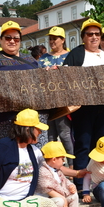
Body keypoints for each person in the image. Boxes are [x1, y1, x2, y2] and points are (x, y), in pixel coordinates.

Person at [63, 19, 104, 182]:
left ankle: (99, 180)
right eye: (90, 34)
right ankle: (81, 184)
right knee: (83, 145)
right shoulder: (76, 54)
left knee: (103, 144)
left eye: (97, 34)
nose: (94, 37)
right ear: (83, 37)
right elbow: (65, 76)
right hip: (85, 108)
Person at [0, 21, 48, 144]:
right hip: (6, 119)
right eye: (8, 38)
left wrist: (49, 73)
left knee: (37, 153)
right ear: (1, 40)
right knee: (11, 155)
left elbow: (41, 82)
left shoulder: (30, 59)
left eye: (16, 38)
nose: (12, 41)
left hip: (35, 117)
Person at [38, 27, 74, 159]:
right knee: (50, 134)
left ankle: (72, 164)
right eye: (50, 39)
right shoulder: (43, 58)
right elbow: (37, 77)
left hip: (64, 101)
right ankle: (52, 164)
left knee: (65, 133)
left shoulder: (70, 56)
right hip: (47, 101)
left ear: (63, 40)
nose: (52, 41)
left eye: (55, 38)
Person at [36, 141, 82, 207]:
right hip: (45, 199)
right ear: (54, 159)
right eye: (62, 159)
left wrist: (70, 186)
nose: (64, 161)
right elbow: (47, 189)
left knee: (73, 196)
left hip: (59, 196)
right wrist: (63, 198)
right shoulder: (43, 171)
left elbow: (64, 181)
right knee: (59, 201)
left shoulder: (57, 170)